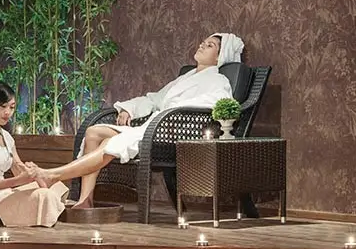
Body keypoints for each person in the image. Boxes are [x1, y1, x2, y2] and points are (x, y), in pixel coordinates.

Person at [31, 32, 242, 208]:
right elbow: (154, 99)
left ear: (219, 57)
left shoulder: (218, 80)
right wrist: (129, 109)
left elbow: (215, 102)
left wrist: (173, 111)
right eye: (203, 41)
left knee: (110, 142)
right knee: (93, 132)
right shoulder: (185, 78)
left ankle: (53, 175)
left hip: (171, 131)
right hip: (155, 126)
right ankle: (86, 200)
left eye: (210, 45)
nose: (202, 45)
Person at [0, 81, 70, 228]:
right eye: (2, 106)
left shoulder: (6, 137)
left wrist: (33, 172)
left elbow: (18, 170)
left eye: (11, 107)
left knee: (56, 187)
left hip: (3, 194)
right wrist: (18, 180)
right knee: (44, 196)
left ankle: (44, 213)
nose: (7, 112)